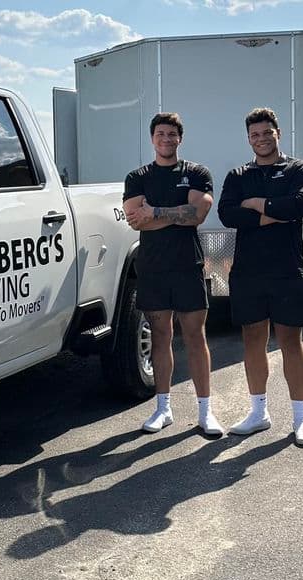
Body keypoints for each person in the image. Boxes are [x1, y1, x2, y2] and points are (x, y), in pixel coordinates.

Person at [217, 107, 303, 446]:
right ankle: (259, 413)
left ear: (278, 133)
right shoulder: (237, 175)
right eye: (254, 135)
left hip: (287, 271)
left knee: (291, 342)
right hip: (248, 272)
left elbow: (301, 204)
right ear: (248, 138)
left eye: (266, 133)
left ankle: (301, 419)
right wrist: (275, 211)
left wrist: (257, 203)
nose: (261, 139)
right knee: (252, 342)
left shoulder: (299, 169)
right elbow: (228, 215)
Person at [123, 112, 223, 436]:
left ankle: (205, 412)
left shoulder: (196, 173)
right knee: (161, 336)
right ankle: (163, 409)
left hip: (187, 265)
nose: (166, 139)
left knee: (196, 336)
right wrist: (175, 214)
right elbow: (136, 220)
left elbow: (199, 213)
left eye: (172, 134)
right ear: (152, 138)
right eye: (160, 134)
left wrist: (157, 213)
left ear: (181, 138)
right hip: (152, 267)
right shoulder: (137, 177)